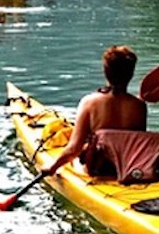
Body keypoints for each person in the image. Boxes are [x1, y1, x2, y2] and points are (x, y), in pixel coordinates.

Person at [40, 46, 148, 176]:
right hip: (127, 167)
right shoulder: (139, 106)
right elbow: (137, 145)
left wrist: (53, 166)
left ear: (106, 72)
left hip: (98, 169)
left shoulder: (89, 103)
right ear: (131, 74)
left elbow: (74, 148)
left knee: (74, 157)